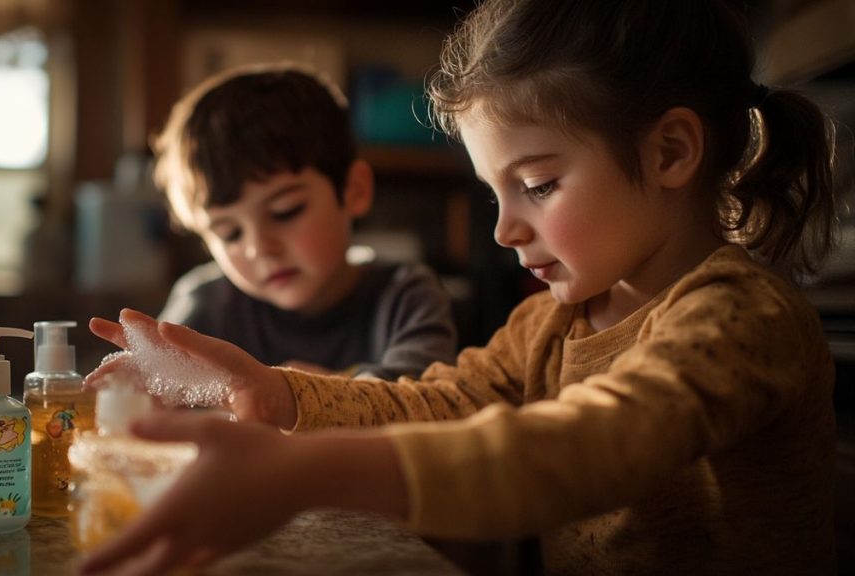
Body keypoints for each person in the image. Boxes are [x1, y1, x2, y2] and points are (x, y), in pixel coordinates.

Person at [80, 0, 839, 573]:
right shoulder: (550, 323)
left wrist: (297, 470)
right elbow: (438, 403)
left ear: (671, 151)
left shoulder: (742, 317)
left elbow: (585, 450)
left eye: (538, 184)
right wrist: (277, 393)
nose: (505, 229)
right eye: (495, 195)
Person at [150, 62, 457, 380]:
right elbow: (150, 391)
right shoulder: (206, 305)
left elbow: (421, 401)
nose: (260, 249)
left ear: (354, 190)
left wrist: (304, 398)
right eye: (229, 233)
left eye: (286, 211)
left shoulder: (405, 297)